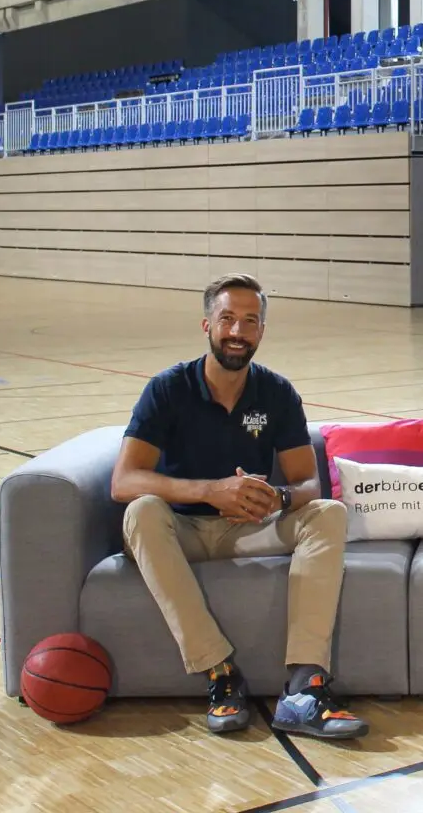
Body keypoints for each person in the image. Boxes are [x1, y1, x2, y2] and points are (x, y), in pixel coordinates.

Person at [111, 273, 368, 741]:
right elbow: (124, 480)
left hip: (247, 528)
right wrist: (210, 490)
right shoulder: (167, 389)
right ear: (206, 325)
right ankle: (220, 673)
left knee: (328, 513)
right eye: (227, 319)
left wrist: (280, 497)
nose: (237, 331)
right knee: (141, 512)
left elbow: (310, 482)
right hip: (182, 531)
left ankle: (304, 688)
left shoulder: (276, 392)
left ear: (261, 332)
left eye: (249, 321)